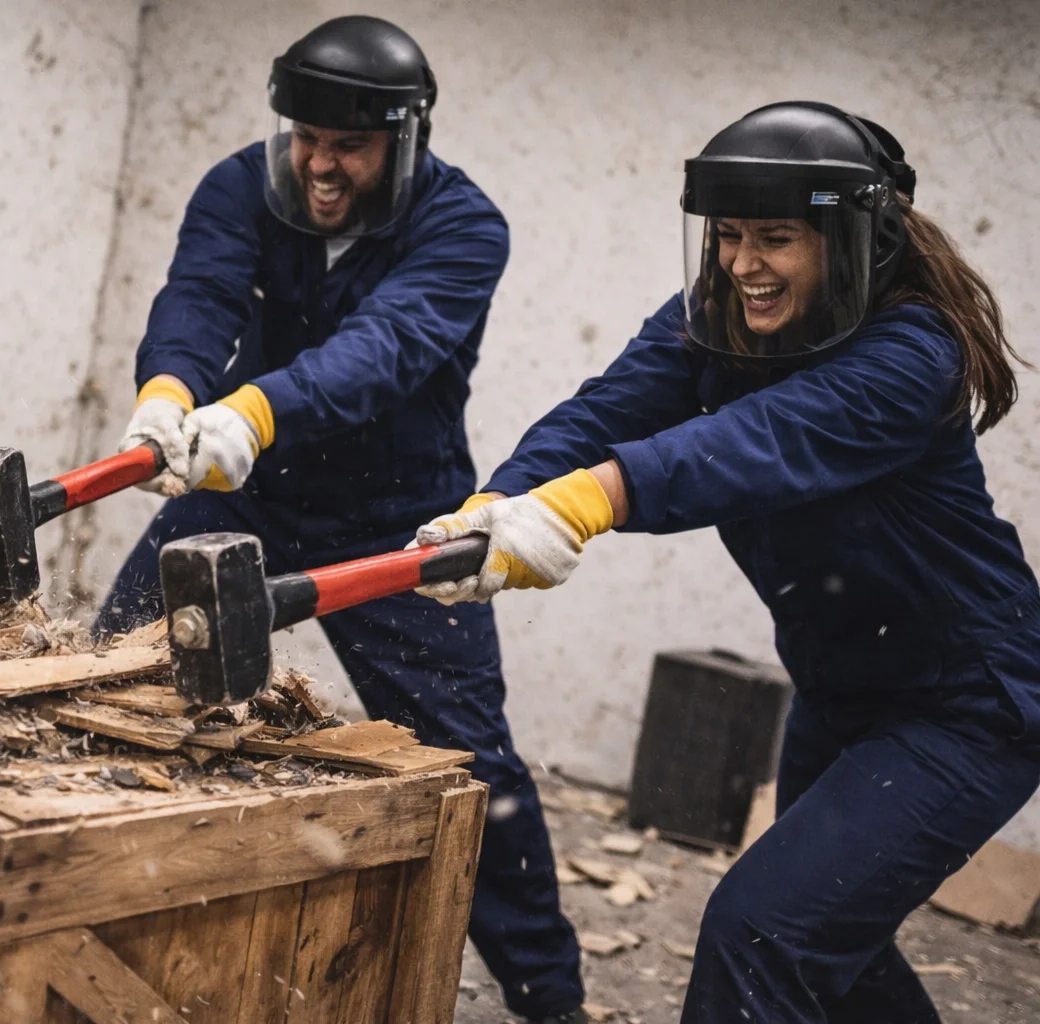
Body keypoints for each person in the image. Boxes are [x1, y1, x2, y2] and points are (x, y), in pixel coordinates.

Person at [415, 101, 1040, 1023]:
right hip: (841, 688)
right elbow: (609, 409)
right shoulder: (717, 314)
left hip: (969, 706)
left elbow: (757, 444)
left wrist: (586, 504)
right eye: (729, 235)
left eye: (776, 238)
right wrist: (499, 505)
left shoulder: (913, 353)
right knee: (836, 948)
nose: (745, 264)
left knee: (763, 933)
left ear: (860, 238)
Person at [97, 15, 587, 1023]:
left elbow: (390, 345)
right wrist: (170, 390)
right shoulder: (240, 182)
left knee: (470, 772)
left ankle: (553, 1000)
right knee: (114, 681)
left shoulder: (465, 227)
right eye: (305, 137)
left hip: (397, 520)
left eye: (348, 146)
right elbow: (199, 294)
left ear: (404, 141)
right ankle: (102, 931)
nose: (318, 164)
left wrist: (260, 409)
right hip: (243, 495)